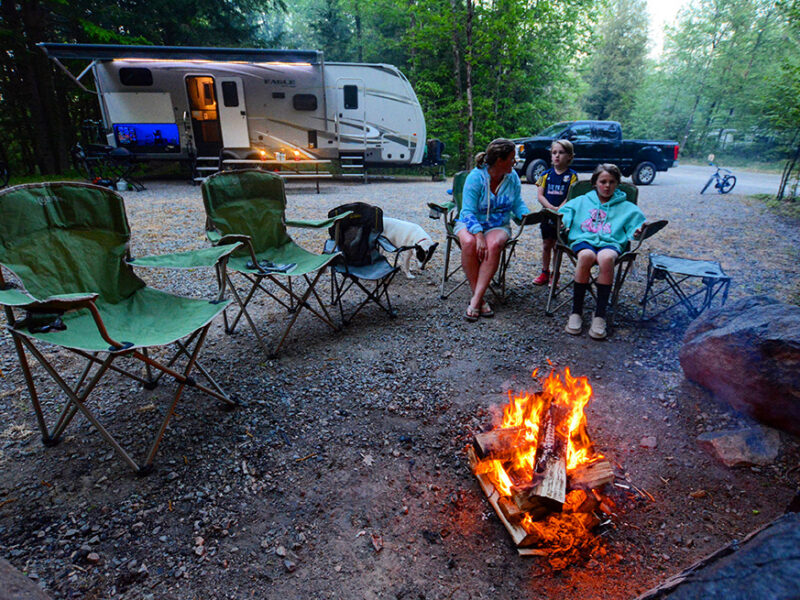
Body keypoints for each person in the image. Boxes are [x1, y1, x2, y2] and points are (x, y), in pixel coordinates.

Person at [558, 163, 645, 340]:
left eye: (612, 182)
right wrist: (563, 222)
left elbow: (638, 225)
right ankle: (576, 312)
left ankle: (599, 315)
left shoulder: (626, 206)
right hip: (583, 239)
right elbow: (564, 212)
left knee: (606, 258)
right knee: (586, 256)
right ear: (595, 183)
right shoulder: (583, 200)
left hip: (611, 242)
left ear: (618, 184)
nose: (607, 186)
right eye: (603, 181)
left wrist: (638, 231)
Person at [455, 138, 530, 321]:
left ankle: (475, 301)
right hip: (470, 221)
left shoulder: (512, 178)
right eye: (512, 158)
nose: (515, 161)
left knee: (494, 244)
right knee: (468, 241)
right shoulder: (476, 177)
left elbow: (517, 203)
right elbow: (467, 210)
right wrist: (478, 233)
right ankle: (480, 299)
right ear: (499, 160)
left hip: (498, 224)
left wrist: (526, 215)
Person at [533, 140, 578, 285]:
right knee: (547, 244)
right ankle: (544, 272)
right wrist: (551, 207)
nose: (557, 156)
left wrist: (560, 209)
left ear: (570, 156)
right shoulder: (545, 174)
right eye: (554, 153)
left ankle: (555, 273)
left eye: (561, 152)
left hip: (562, 217)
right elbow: (540, 195)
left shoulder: (572, 176)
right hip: (547, 214)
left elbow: (571, 195)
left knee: (558, 246)